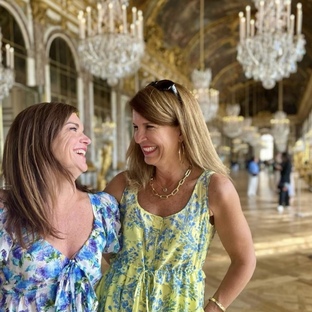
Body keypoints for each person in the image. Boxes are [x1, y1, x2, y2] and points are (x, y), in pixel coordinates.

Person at [96, 80, 256, 311]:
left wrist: (214, 307)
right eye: (135, 127)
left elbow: (245, 260)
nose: (139, 138)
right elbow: (95, 243)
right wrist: (131, 268)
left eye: (149, 127)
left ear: (181, 130)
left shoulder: (214, 189)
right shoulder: (124, 184)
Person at [0, 102, 120, 311]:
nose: (87, 140)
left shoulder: (103, 208)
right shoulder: (5, 211)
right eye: (73, 129)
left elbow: (130, 269)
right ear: (40, 139)